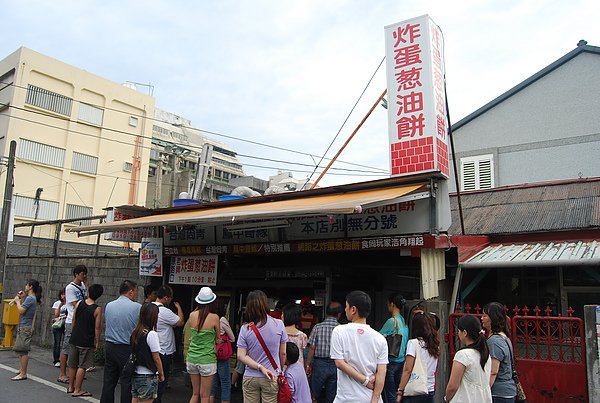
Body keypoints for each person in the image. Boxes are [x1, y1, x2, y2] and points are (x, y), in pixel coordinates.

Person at [330, 290, 387, 403]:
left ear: (353, 309)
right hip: (370, 398)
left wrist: (365, 381)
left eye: (346, 306)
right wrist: (375, 399)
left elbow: (339, 363)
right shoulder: (380, 338)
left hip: (346, 398)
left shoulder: (339, 331)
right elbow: (381, 372)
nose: (345, 309)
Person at [237, 290, 288, 403]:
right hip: (271, 375)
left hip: (250, 376)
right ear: (266, 304)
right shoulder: (279, 324)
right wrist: (279, 369)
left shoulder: (245, 328)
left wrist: (260, 367)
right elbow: (283, 353)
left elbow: (241, 356)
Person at [101, 280, 142, 403]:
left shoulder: (109, 305)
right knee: (127, 381)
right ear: (130, 291)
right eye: (135, 292)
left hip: (110, 346)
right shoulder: (137, 307)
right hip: (126, 347)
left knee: (109, 380)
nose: (135, 295)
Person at [445, 315, 492, 402]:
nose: (458, 333)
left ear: (465, 333)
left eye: (459, 331)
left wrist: (446, 398)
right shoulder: (485, 354)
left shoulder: (462, 355)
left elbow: (452, 386)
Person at [67, 283, 104, 397]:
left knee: (73, 364)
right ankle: (78, 389)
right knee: (82, 366)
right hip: (86, 340)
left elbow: (74, 319)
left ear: (88, 292)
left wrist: (73, 332)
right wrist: (97, 341)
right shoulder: (97, 309)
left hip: (75, 338)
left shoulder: (79, 303)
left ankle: (70, 386)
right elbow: (97, 327)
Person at [396, 312, 440, 403]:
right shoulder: (434, 345)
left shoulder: (413, 343)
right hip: (430, 389)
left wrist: (400, 391)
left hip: (414, 390)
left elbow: (408, 370)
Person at [186, 286, 220, 403]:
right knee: (205, 396)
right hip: (207, 359)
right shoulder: (215, 317)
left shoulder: (191, 315)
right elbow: (218, 339)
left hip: (192, 357)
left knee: (195, 393)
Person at [305, 301, 343, 403]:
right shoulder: (341, 329)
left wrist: (307, 365)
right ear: (339, 314)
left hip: (319, 364)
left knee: (313, 393)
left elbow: (312, 348)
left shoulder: (318, 327)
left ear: (326, 313)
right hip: (336, 364)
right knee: (331, 395)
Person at [153, 285, 184, 403]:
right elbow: (180, 322)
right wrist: (179, 307)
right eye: (170, 297)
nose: (171, 300)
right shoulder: (164, 311)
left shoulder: (147, 307)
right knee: (162, 378)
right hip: (163, 349)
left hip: (151, 348)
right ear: (166, 298)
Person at [58, 264, 88, 384]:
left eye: (85, 274)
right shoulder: (70, 288)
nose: (84, 276)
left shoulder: (82, 285)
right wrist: (88, 308)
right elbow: (76, 303)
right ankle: (62, 374)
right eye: (82, 274)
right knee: (66, 348)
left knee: (76, 349)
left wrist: (86, 283)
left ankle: (74, 373)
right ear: (76, 274)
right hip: (71, 320)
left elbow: (87, 296)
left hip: (80, 320)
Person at [481, 302, 517, 403]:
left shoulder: (494, 341)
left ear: (493, 318)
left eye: (485, 315)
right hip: (507, 391)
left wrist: (484, 393)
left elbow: (493, 371)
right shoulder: (504, 337)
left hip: (498, 393)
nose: (482, 318)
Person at [131, 302, 165, 403]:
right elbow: (156, 358)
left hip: (136, 372)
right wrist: (161, 374)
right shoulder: (152, 334)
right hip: (148, 375)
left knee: (135, 400)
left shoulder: (136, 331)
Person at [379, 293, 409, 403]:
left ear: (392, 304)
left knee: (390, 395)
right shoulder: (403, 320)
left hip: (391, 361)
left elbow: (377, 337)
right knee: (398, 394)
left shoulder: (392, 321)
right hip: (402, 362)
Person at [11, 279, 42, 381]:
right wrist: (21, 298)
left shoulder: (31, 299)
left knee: (23, 351)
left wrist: (17, 301)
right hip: (24, 326)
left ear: (30, 287)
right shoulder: (30, 298)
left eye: (26, 285)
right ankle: (21, 369)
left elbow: (21, 310)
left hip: (25, 326)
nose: (25, 287)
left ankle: (23, 373)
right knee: (20, 349)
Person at [210, 298, 236, 403]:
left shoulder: (209, 318)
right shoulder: (222, 320)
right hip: (221, 354)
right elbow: (232, 337)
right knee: (225, 382)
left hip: (211, 353)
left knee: (213, 382)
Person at [51, 288, 67, 367]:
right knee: (57, 342)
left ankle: (65, 360)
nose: (63, 296)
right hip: (58, 324)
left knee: (66, 343)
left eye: (64, 294)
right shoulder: (57, 303)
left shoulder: (70, 304)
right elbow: (56, 315)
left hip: (66, 324)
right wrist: (60, 305)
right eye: (62, 294)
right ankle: (56, 360)